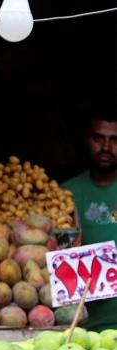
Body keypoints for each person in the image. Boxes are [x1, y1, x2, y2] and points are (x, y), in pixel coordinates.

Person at [62, 110, 117, 331]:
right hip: (78, 325)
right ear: (86, 140)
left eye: (114, 140)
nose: (106, 147)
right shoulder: (64, 194)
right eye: (98, 138)